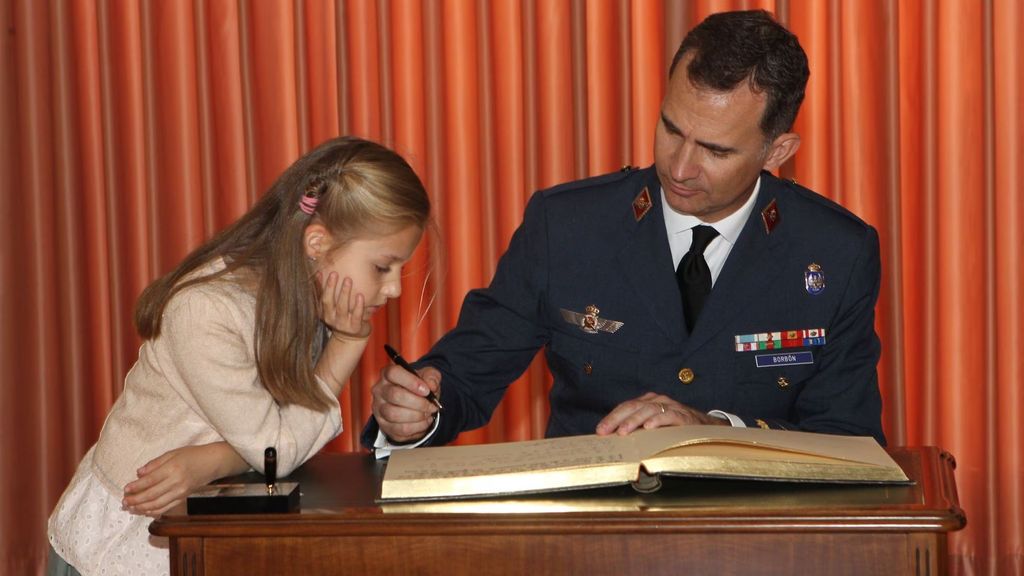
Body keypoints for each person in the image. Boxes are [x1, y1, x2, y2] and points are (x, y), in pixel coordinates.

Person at [362, 9, 885, 457]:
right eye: (671, 129)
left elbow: (848, 440)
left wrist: (716, 433)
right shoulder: (566, 226)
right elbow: (465, 374)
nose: (679, 168)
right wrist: (413, 410)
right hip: (588, 534)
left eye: (716, 151)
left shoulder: (836, 253)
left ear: (778, 152)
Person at [47, 136, 430, 575]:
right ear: (317, 243)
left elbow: (280, 439)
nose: (395, 288)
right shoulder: (206, 310)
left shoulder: (304, 298)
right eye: (383, 267)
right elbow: (279, 447)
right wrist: (346, 343)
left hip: (202, 527)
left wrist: (217, 458)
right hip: (122, 545)